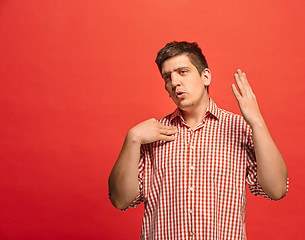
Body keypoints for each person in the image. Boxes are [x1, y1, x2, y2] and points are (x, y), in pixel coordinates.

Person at [108, 41, 288, 239]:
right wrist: (132, 139)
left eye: (182, 72)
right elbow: (120, 200)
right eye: (167, 77)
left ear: (205, 77)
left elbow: (276, 190)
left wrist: (257, 122)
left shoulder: (240, 127)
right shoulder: (150, 134)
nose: (174, 82)